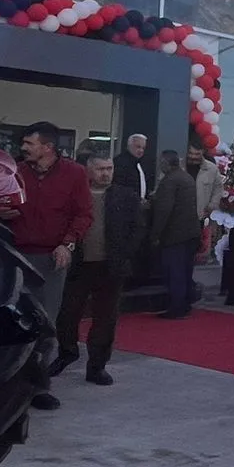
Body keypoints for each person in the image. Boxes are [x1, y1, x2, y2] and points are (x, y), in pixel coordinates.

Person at [14, 121, 95, 412]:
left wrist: (68, 243)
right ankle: (8, 385)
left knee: (45, 324)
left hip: (51, 259)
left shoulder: (74, 174)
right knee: (13, 322)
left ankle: (37, 388)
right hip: (15, 256)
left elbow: (84, 214)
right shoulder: (17, 171)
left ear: (47, 147)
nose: (24, 148)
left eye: (29, 143)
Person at [55, 155, 142, 386]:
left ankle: (97, 366)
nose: (106, 173)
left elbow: (138, 228)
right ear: (88, 171)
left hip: (111, 266)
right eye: (101, 169)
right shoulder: (74, 196)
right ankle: (66, 351)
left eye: (109, 168)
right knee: (68, 313)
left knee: (106, 318)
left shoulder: (126, 196)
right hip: (79, 265)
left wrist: (124, 254)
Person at [149, 149, 201, 320]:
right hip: (191, 232)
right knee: (185, 271)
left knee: (174, 272)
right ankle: (185, 304)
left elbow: (164, 211)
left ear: (166, 163)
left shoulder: (169, 181)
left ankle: (176, 307)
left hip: (175, 234)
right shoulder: (186, 178)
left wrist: (155, 234)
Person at [191, 149, 223, 263]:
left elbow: (218, 189)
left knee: (207, 232)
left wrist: (211, 205)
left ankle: (204, 254)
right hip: (203, 210)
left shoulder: (209, 169)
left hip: (205, 210)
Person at [114, 132, 152, 203]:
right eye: (138, 147)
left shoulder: (142, 163)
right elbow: (118, 187)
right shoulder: (120, 162)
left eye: (143, 148)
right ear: (129, 146)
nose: (141, 150)